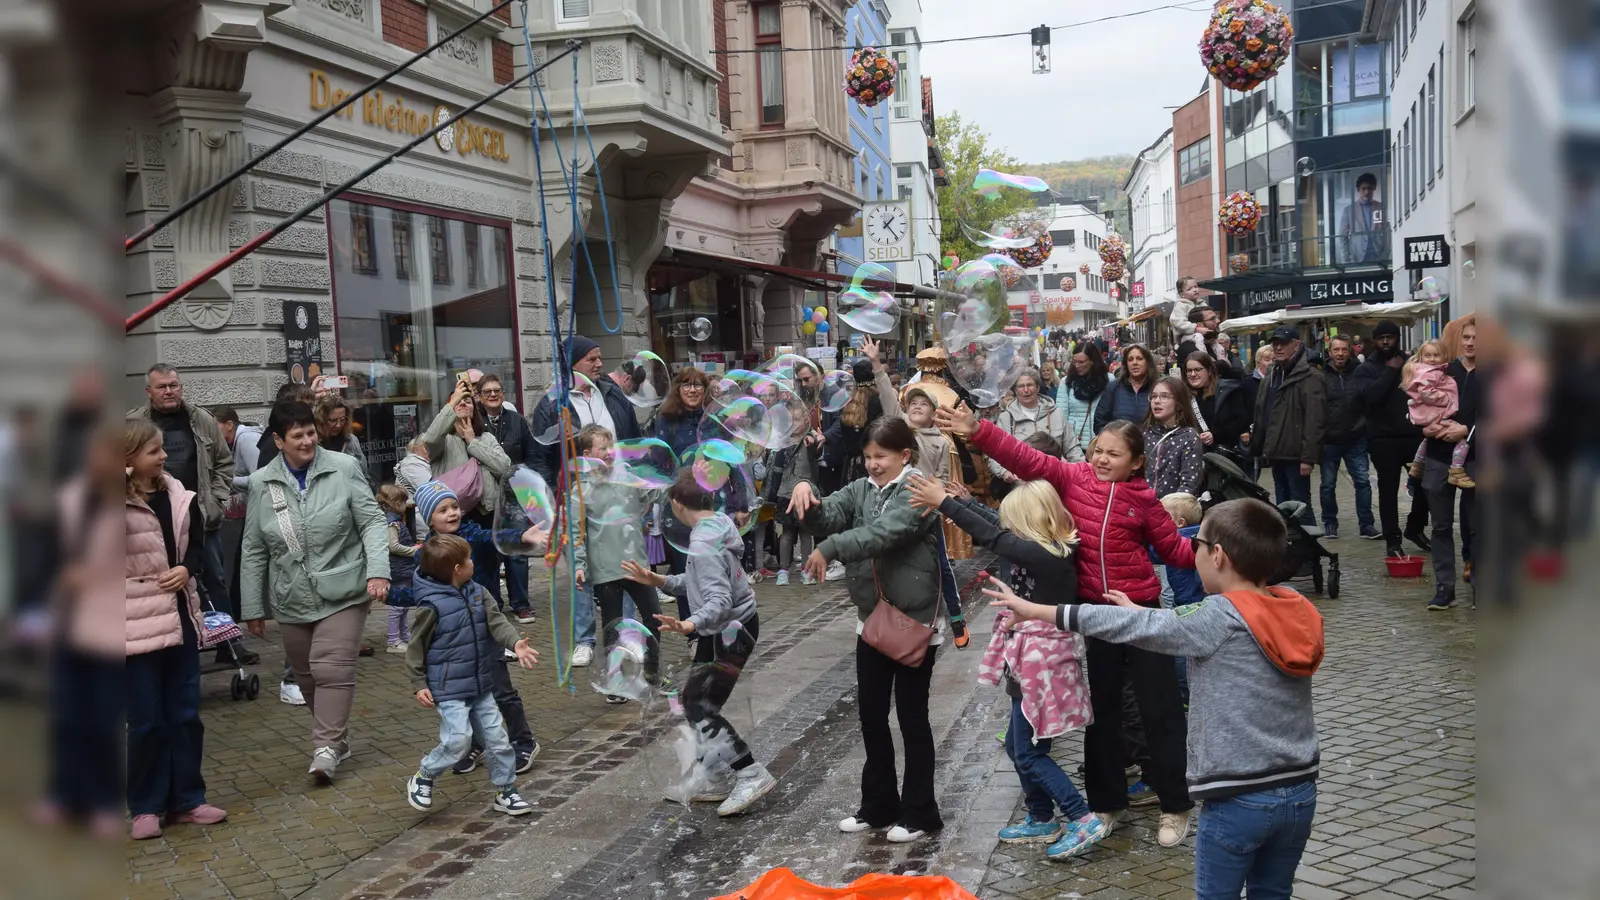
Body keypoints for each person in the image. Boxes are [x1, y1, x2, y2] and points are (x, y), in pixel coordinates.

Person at [987, 497, 1323, 898]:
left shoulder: (1218, 616)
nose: (1190, 551)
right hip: (1300, 791)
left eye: (1195, 544)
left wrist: (1037, 610)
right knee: (1274, 893)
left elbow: (1132, 623)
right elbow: (1171, 624)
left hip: (1238, 798)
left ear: (1217, 556)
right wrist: (1142, 613)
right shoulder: (1295, 606)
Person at [937, 407, 1196, 848]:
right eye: (1099, 450)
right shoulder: (1074, 478)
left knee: (1161, 710)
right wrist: (978, 430)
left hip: (1140, 609)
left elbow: (1175, 551)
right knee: (1104, 713)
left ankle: (1175, 804)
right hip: (1092, 614)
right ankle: (1106, 803)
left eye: (1114, 454)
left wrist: (1220, 559)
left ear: (1136, 462)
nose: (1101, 459)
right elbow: (1025, 458)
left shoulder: (1146, 500)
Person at [908, 475, 1101, 860]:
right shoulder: (1041, 546)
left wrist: (945, 502)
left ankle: (1081, 817)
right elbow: (996, 526)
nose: (1007, 527)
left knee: (1029, 751)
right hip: (1026, 658)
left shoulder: (1049, 556)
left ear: (1030, 523)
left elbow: (996, 537)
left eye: (1014, 522)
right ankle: (1041, 815)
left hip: (1041, 666)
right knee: (1018, 746)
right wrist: (963, 502)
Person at [786, 418, 944, 843]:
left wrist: (831, 548)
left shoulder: (919, 490)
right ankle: (878, 806)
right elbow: (830, 516)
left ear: (904, 456)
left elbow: (884, 534)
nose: (872, 465)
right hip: (871, 621)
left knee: (912, 719)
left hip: (912, 621)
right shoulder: (860, 487)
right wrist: (809, 496)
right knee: (871, 716)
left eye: (881, 457)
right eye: (868, 457)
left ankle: (919, 812)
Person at [239, 400, 391, 783]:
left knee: (331, 667)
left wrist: (378, 571)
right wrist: (252, 606)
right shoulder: (262, 483)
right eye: (297, 436)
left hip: (344, 586)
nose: (307, 441)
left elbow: (372, 522)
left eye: (310, 433)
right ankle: (336, 737)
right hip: (291, 595)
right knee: (306, 675)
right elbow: (254, 547)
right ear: (278, 440)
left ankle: (324, 749)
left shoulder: (343, 468)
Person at [621, 471, 775, 817]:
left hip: (727, 631)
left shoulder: (704, 541)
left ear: (677, 504)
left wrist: (689, 623)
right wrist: (658, 579)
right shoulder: (716, 524)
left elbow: (718, 599)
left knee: (701, 706)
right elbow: (698, 581)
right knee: (693, 701)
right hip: (727, 628)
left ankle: (750, 773)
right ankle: (715, 775)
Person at [124, 419, 228, 840]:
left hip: (181, 616)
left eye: (162, 448)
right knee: (146, 720)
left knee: (185, 715)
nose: (164, 456)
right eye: (154, 451)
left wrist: (187, 567)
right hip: (134, 623)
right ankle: (145, 806)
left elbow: (199, 546)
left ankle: (188, 799)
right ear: (128, 458)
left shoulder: (178, 495)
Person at [411, 481, 545, 774]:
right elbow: (416, 592)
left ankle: (524, 741)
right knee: (463, 694)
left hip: (485, 627)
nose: (452, 513)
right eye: (443, 509)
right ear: (428, 518)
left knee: (501, 690)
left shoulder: (469, 533)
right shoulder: (426, 553)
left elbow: (492, 536)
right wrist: (385, 592)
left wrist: (522, 535)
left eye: (454, 506)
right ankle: (475, 743)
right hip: (451, 640)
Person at [404, 534, 540, 817]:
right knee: (458, 740)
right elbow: (415, 646)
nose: (472, 562)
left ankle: (506, 791)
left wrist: (515, 643)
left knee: (498, 740)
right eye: (467, 559)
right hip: (448, 689)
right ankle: (425, 774)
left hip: (481, 684)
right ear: (457, 569)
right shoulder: (431, 605)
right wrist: (418, 683)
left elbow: (496, 621)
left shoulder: (478, 591)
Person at [864, 336, 969, 647]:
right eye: (912, 404)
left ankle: (956, 618)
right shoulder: (901, 433)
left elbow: (941, 479)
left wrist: (933, 503)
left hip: (924, 512)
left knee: (941, 566)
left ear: (934, 412)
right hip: (897, 510)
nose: (917, 407)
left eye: (923, 404)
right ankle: (889, 617)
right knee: (891, 566)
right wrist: (876, 364)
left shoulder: (940, 442)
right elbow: (888, 398)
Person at [128, 364, 234, 661]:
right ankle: (163, 645)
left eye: (174, 385)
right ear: (149, 392)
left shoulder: (202, 420)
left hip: (200, 516)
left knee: (215, 579)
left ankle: (229, 646)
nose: (169, 391)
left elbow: (224, 463)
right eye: (162, 387)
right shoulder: (132, 423)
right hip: (152, 518)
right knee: (157, 583)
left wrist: (216, 499)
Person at [569, 424, 662, 693]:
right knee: (613, 628)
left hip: (637, 565)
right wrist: (579, 566)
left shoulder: (627, 476)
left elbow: (655, 493)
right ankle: (616, 681)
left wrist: (662, 478)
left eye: (611, 447)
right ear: (587, 454)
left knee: (653, 618)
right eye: (603, 448)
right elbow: (576, 534)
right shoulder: (580, 491)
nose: (610, 452)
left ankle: (653, 673)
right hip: (606, 569)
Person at [423, 378, 515, 609]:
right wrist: (454, 400)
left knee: (487, 567)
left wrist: (472, 442)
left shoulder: (486, 438)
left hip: (485, 513)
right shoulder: (443, 442)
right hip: (454, 517)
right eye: (458, 402)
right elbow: (431, 438)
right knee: (457, 565)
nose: (464, 404)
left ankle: (493, 611)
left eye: (468, 401)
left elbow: (504, 468)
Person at [1354, 321, 1432, 557]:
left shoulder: (1411, 363)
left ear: (1398, 337)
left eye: (1390, 337)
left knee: (1427, 485)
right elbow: (1370, 397)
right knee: (1387, 492)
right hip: (1382, 439)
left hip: (1413, 436)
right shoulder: (1366, 368)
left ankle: (1415, 528)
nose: (1386, 342)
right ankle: (1392, 538)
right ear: (1375, 340)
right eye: (1381, 338)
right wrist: (1390, 371)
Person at [1418, 315, 1479, 610]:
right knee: (1440, 526)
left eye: (1476, 338)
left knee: (1479, 525)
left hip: (1480, 458)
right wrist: (1421, 425)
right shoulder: (1444, 371)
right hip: (1439, 456)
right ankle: (1445, 588)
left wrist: (1467, 430)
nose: (1470, 343)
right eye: (1466, 337)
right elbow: (1418, 400)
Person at [529, 335, 642, 486]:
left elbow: (635, 439)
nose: (600, 364)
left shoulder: (613, 393)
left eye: (599, 358)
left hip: (622, 487)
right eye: (592, 359)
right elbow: (540, 459)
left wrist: (640, 486)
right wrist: (553, 497)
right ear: (572, 364)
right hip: (580, 496)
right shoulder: (551, 406)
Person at [477, 373, 539, 624]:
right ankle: (494, 603)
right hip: (485, 497)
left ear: (503, 394)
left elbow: (533, 455)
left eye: (497, 391)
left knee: (517, 550)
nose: (493, 395)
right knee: (488, 551)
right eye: (487, 391)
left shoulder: (517, 421)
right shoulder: (474, 422)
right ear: (480, 397)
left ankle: (521, 604)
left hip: (515, 495)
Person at [1250, 326, 1325, 526]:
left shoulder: (1309, 376)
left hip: (1295, 453)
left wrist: (1308, 458)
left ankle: (1310, 554)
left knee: (1301, 505)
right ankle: (1291, 550)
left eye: (1283, 343)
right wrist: (1260, 447)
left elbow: (1315, 420)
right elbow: (1263, 412)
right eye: (1275, 343)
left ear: (1296, 345)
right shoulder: (1273, 374)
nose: (1278, 347)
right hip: (1277, 452)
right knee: (1283, 506)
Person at [1317, 335, 1378, 540]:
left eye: (1344, 349)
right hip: (1329, 439)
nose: (1340, 354)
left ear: (1350, 351)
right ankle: (1329, 523)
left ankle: (1366, 525)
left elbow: (1369, 400)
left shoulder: (1359, 372)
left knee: (1362, 481)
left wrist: (1364, 424)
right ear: (1330, 352)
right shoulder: (1320, 375)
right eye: (1336, 350)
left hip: (1356, 437)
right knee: (1327, 485)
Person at [988, 369, 1081, 497]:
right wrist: (1004, 473)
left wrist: (1082, 473)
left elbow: (1072, 448)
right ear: (1015, 390)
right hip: (1022, 488)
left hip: (1056, 484)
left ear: (1037, 387)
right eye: (1021, 386)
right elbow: (994, 453)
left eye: (1030, 385)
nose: (1026, 390)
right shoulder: (1005, 418)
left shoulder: (1056, 413)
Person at [1405, 341, 1476, 490]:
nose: (1432, 359)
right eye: (1428, 355)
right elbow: (1426, 392)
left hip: (1428, 418)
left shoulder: (1430, 370)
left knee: (1427, 438)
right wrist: (1446, 399)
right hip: (1436, 419)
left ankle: (1417, 464)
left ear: (1444, 356)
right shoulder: (1433, 372)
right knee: (1463, 441)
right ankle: (1456, 469)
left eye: (1436, 355)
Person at [1142, 377, 1207, 498]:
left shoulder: (1189, 437)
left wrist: (1172, 508)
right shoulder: (1145, 433)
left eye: (1164, 396)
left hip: (1173, 509)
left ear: (1178, 404)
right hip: (1142, 506)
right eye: (1154, 396)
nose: (1157, 401)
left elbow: (1189, 483)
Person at [377, 484, 419, 651]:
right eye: (403, 501)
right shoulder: (392, 524)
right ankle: (393, 640)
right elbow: (393, 546)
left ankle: (404, 635)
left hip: (403, 569)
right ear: (394, 503)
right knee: (398, 606)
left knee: (404, 605)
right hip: (398, 569)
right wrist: (413, 551)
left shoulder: (395, 521)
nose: (406, 504)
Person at [1185, 352, 1250, 456]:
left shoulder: (1228, 391)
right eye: (1189, 371)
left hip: (1224, 458)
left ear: (1209, 371)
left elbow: (1240, 423)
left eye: (1198, 369)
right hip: (1196, 457)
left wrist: (1214, 435)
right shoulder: (1185, 396)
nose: (1192, 374)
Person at [1058, 341, 1112, 455]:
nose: (1077, 366)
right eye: (1075, 362)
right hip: (1075, 446)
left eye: (1081, 362)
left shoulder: (1109, 381)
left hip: (1103, 443)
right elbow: (1061, 416)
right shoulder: (1066, 383)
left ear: (1093, 361)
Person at [1094, 344, 1157, 434]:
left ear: (1148, 362)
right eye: (1130, 359)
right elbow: (1099, 423)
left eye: (1139, 358)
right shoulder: (1114, 388)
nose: (1134, 363)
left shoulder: (1157, 388)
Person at [315, 395, 368, 478]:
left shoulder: (351, 440)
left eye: (343, 419)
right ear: (321, 420)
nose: (339, 425)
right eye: (333, 420)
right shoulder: (314, 443)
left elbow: (364, 474)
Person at [1338, 172, 1386, 264]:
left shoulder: (1381, 207)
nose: (1367, 192)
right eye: (1364, 189)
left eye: (1369, 188)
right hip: (1357, 258)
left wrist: (1386, 255)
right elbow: (1342, 235)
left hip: (1378, 257)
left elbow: (1388, 231)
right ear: (1358, 190)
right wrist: (1346, 260)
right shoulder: (1348, 210)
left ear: (1374, 189)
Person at [1169, 277, 1206, 350]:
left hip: (1204, 333)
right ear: (1182, 294)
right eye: (1189, 289)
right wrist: (1195, 328)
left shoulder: (1202, 304)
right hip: (1184, 336)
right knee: (1198, 337)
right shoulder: (1181, 305)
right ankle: (1203, 357)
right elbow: (1178, 322)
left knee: (1216, 343)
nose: (1195, 290)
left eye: (1195, 286)